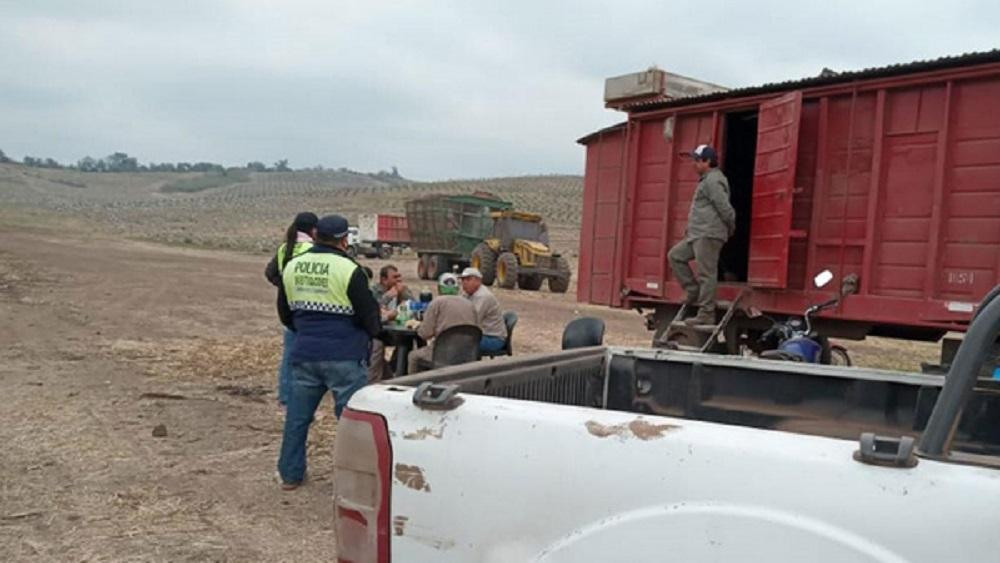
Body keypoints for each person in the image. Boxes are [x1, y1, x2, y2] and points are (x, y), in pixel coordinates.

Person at [276, 214, 380, 491]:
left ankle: (290, 475)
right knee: (352, 423)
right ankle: (356, 481)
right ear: (344, 240)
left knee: (297, 419)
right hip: (344, 355)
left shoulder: (293, 265)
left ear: (316, 234)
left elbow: (285, 314)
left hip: (305, 353)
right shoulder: (349, 269)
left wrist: (306, 330)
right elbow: (370, 317)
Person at [668, 144, 736, 326]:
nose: (694, 164)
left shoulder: (714, 181)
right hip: (697, 234)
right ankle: (692, 291)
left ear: (707, 161)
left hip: (708, 234)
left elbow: (725, 208)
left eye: (697, 161)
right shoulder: (707, 180)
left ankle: (706, 313)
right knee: (675, 256)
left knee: (706, 273)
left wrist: (730, 227)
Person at [264, 212, 318, 408]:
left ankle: (285, 395)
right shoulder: (312, 249)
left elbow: (270, 273)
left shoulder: (285, 248)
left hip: (288, 307)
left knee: (289, 354)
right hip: (310, 306)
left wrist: (286, 286)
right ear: (313, 230)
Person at [407, 273, 478, 374]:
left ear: (439, 288)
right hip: (467, 354)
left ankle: (411, 386)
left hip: (443, 353)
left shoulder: (437, 302)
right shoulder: (470, 304)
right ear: (457, 288)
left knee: (413, 356)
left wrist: (417, 325)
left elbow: (425, 334)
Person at [369, 265, 414, 381]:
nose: (398, 280)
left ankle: (398, 374)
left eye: (399, 276)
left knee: (407, 341)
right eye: (394, 277)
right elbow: (372, 310)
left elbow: (411, 305)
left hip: (394, 330)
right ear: (384, 279)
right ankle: (373, 380)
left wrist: (404, 293)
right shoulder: (374, 290)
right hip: (377, 330)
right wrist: (387, 297)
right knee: (377, 345)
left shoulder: (400, 289)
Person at [458, 267, 507, 354]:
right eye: (463, 280)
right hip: (480, 335)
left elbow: (471, 320)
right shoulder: (468, 293)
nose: (464, 282)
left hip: (492, 338)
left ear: (478, 281)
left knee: (457, 344)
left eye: (468, 279)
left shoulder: (483, 297)